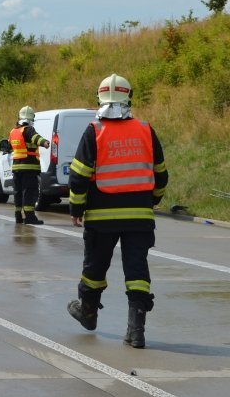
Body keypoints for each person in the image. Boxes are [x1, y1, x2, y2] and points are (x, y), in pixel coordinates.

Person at [66, 74, 168, 349]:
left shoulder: (94, 130)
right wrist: (153, 200)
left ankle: (87, 314)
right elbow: (161, 175)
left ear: (99, 99)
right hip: (139, 218)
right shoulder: (146, 130)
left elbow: (78, 176)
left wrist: (76, 207)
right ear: (129, 98)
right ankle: (136, 332)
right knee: (137, 271)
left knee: (95, 268)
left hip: (101, 218)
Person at [8, 105, 50, 225]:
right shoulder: (28, 129)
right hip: (29, 168)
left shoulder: (13, 131)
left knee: (18, 192)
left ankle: (18, 216)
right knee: (29, 192)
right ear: (32, 118)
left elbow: (10, 146)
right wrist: (45, 143)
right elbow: (36, 138)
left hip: (16, 168)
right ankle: (30, 217)